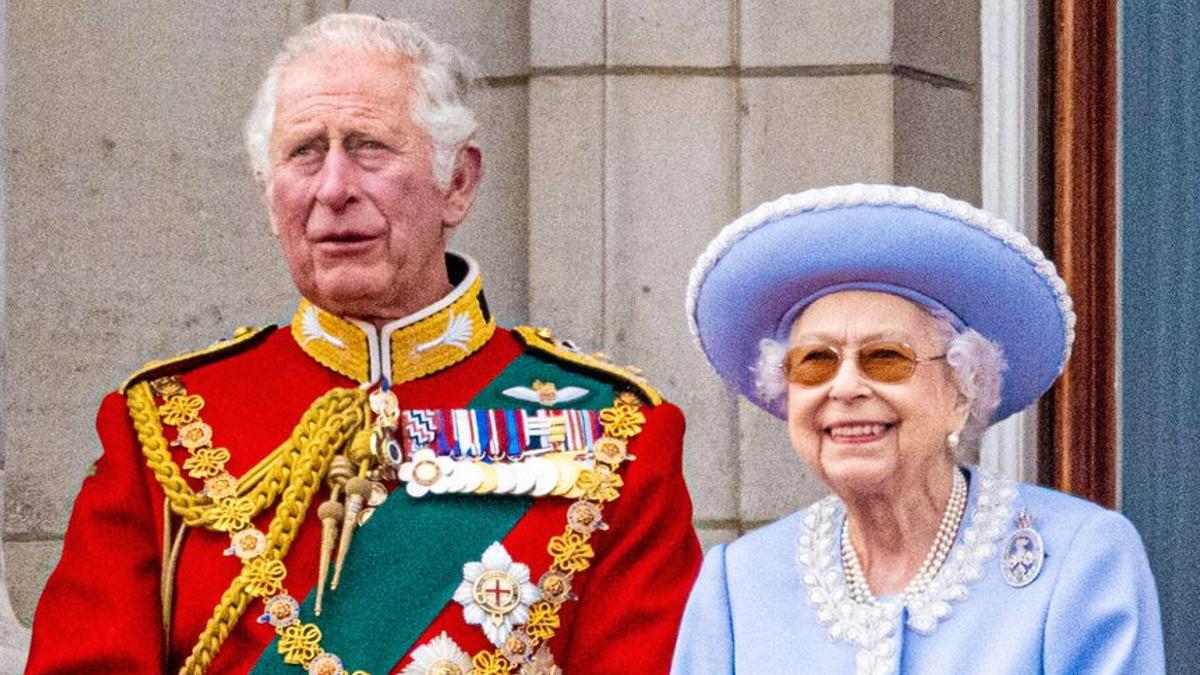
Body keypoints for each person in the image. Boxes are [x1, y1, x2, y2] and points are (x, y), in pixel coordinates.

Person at [25, 14, 700, 675]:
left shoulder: (618, 428)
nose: (334, 188)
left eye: (369, 146)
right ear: (268, 194)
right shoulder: (161, 424)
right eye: (303, 152)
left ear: (457, 183)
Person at [672, 184, 1164, 673]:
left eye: (885, 357)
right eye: (815, 361)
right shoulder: (737, 584)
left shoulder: (1079, 558)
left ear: (961, 391)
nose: (844, 388)